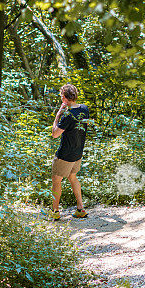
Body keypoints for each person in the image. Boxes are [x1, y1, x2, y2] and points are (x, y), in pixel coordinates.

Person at [49, 83, 89, 220]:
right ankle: (80, 209)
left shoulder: (67, 115)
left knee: (56, 179)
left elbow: (55, 134)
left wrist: (58, 115)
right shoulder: (84, 109)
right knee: (72, 177)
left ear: (65, 98)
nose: (61, 99)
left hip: (65, 155)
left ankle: (55, 212)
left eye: (61, 96)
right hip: (78, 153)